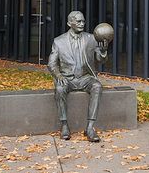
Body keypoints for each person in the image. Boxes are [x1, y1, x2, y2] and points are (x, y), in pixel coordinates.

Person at [47, 11, 109, 142]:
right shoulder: (58, 41)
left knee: (97, 86)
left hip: (85, 77)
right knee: (59, 89)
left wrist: (103, 51)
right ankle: (64, 125)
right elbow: (51, 64)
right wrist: (58, 75)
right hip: (67, 78)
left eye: (83, 21)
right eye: (78, 21)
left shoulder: (91, 38)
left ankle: (90, 127)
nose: (82, 24)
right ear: (70, 23)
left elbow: (100, 59)